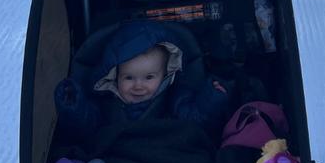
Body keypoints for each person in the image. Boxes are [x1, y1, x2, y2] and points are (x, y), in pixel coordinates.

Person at [54, 18, 231, 141]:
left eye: (149, 77)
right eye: (129, 77)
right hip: (120, 161)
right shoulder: (106, 104)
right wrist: (73, 106)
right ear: (115, 76)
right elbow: (85, 129)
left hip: (166, 155)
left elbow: (197, 122)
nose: (138, 86)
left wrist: (211, 99)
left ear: (165, 74)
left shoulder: (174, 97)